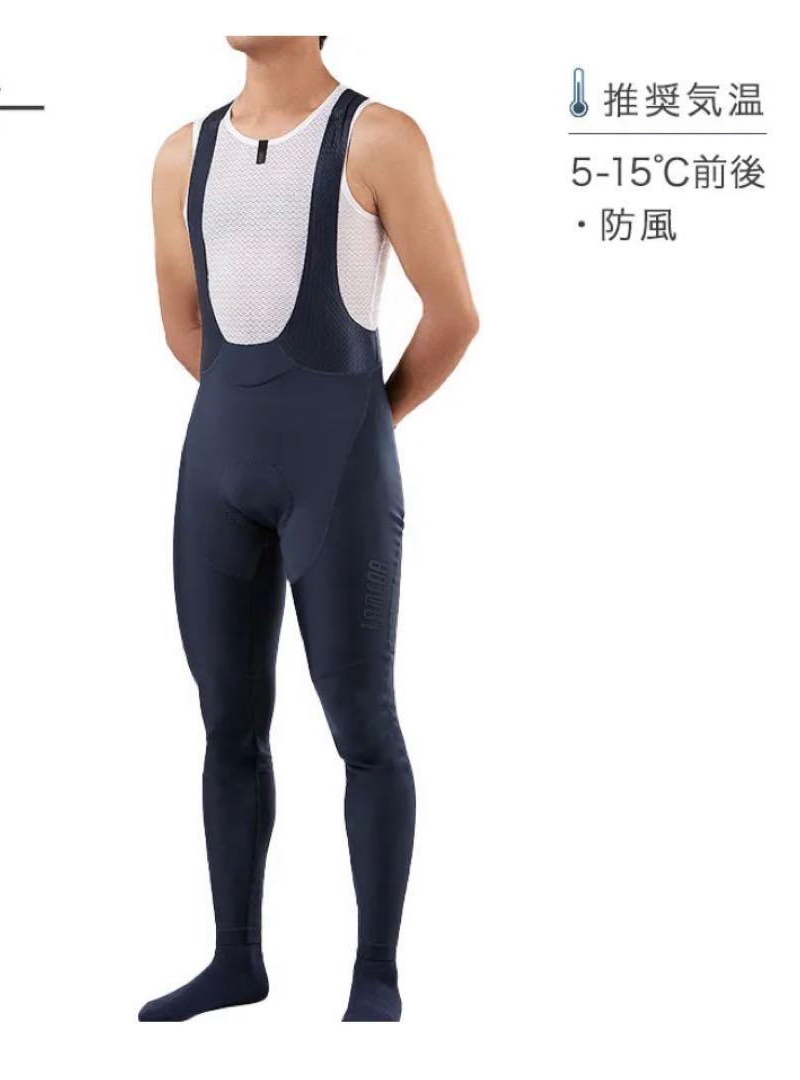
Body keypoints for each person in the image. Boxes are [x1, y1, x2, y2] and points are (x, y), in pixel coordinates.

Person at [140, 34, 478, 1022]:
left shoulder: (378, 137)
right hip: (215, 472)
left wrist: (361, 424)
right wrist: (257, 415)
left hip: (339, 477)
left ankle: (376, 976)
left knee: (362, 722)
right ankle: (235, 961)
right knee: (226, 723)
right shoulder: (180, 154)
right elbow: (185, 325)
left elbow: (455, 314)